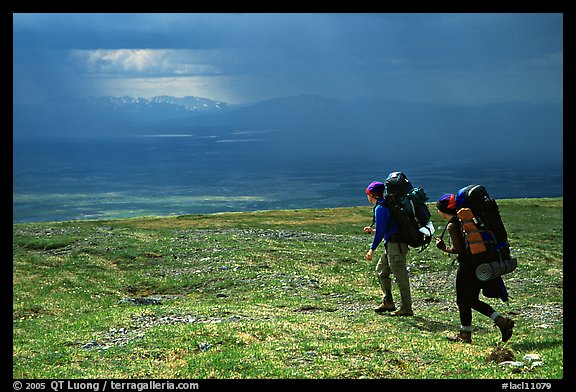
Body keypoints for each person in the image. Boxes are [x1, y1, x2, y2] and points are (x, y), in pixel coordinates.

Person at [435, 193, 514, 343]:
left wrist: (443, 247)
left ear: (444, 210)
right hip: (480, 265)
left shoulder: (453, 225)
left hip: (467, 267)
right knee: (471, 300)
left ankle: (467, 334)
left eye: (438, 208)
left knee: (462, 300)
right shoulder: (467, 220)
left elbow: (457, 249)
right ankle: (499, 322)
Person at [363, 181, 414, 316]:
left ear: (371, 194)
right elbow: (388, 227)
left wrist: (371, 250)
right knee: (381, 271)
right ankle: (388, 302)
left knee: (400, 276)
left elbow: (381, 232)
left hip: (395, 246)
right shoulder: (387, 205)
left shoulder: (381, 208)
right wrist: (373, 231)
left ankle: (406, 308)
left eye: (368, 194)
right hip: (392, 245)